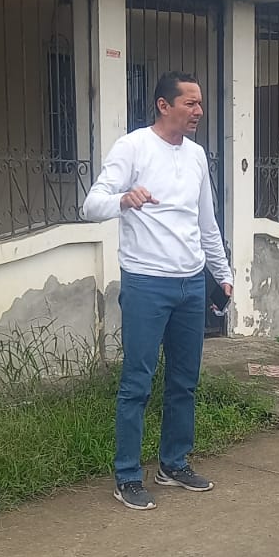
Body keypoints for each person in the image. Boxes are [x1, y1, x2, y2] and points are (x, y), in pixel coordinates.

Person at [82, 71, 232, 510]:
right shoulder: (133, 147)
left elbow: (206, 222)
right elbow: (91, 204)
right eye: (190, 103)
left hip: (191, 283)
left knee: (184, 382)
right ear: (164, 105)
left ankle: (174, 463)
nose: (198, 111)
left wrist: (222, 273)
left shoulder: (197, 156)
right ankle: (128, 475)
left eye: (200, 103)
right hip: (146, 282)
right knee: (137, 383)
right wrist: (123, 200)